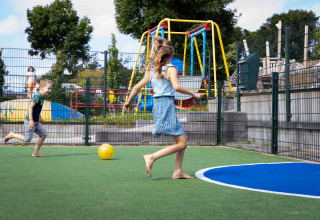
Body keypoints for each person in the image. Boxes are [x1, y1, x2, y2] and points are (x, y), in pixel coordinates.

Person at [122, 37, 203, 179]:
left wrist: (128, 103)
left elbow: (136, 87)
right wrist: (194, 94)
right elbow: (176, 86)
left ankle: (178, 171)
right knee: (182, 143)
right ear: (171, 55)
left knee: (183, 137)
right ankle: (151, 157)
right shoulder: (171, 69)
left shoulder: (152, 71)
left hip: (158, 106)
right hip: (166, 105)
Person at [4, 79, 53, 157]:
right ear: (42, 87)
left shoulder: (42, 97)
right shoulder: (37, 96)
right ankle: (12, 134)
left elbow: (37, 109)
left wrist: (40, 118)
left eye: (51, 89)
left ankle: (36, 152)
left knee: (43, 134)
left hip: (36, 121)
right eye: (49, 88)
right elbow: (30, 107)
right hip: (30, 121)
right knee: (27, 139)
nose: (50, 90)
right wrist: (31, 120)